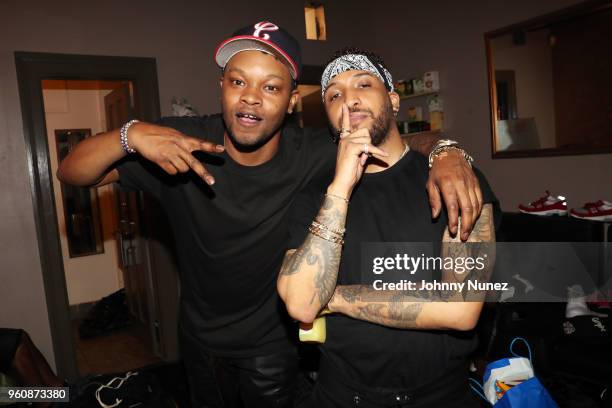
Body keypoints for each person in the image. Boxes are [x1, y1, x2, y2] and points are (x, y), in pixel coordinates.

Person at [57, 22, 483, 408]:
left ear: (293, 100)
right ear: (221, 86)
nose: (251, 97)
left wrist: (450, 153)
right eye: (238, 81)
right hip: (200, 337)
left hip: (273, 342)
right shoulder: (177, 143)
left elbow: (385, 136)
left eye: (271, 87)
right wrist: (130, 134)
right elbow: (72, 172)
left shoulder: (314, 152)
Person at [278, 48, 499, 407]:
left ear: (393, 101)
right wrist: (340, 189)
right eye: (334, 94)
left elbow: (461, 309)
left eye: (363, 84)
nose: (348, 99)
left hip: (440, 397)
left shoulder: (455, 181)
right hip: (341, 395)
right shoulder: (314, 196)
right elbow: (303, 306)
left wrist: (333, 297)